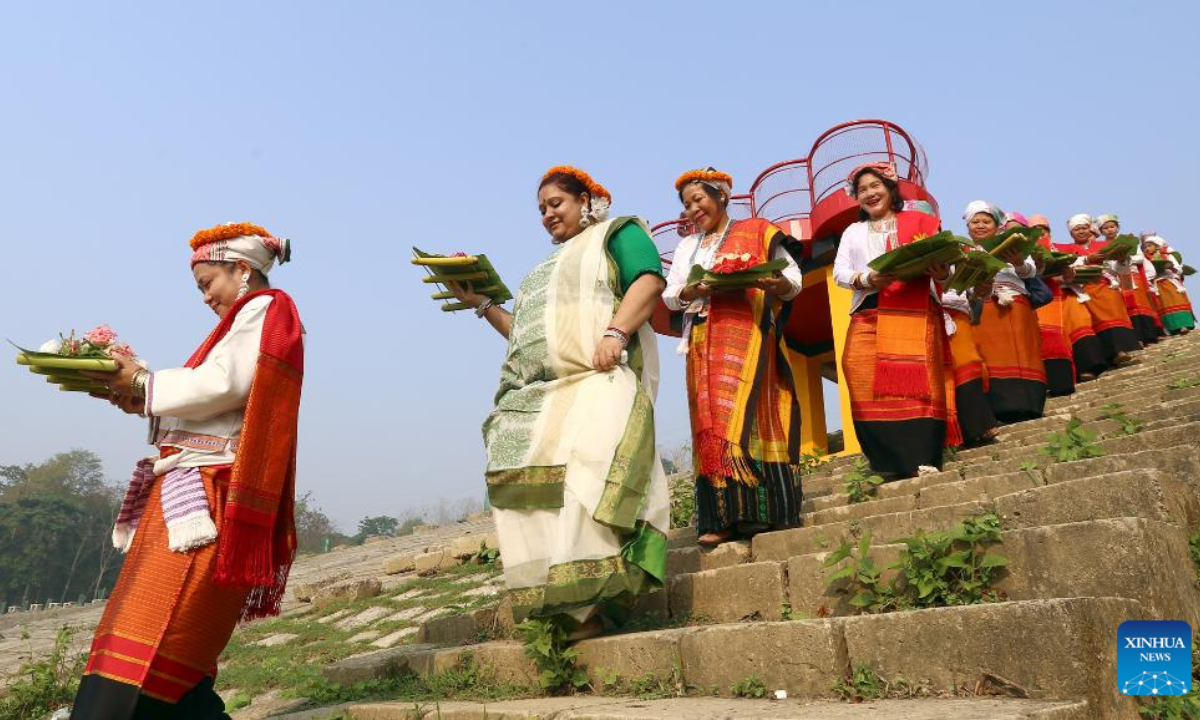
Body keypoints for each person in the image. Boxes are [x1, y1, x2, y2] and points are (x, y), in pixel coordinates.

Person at [72, 223, 303, 720]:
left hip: (209, 498)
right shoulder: (243, 321)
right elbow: (208, 399)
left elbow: (224, 385)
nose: (205, 298)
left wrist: (141, 380)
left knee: (157, 629)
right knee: (165, 643)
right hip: (187, 495)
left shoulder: (268, 309)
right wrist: (137, 393)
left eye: (207, 283)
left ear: (242, 269)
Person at [449, 166, 669, 639]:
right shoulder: (539, 274)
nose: (548, 214)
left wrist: (616, 331)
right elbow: (528, 339)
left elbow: (649, 281)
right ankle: (570, 611)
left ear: (586, 201)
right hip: (541, 394)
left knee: (588, 481)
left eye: (557, 203)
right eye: (542, 209)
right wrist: (482, 303)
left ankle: (596, 602)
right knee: (523, 484)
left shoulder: (618, 231)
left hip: (601, 376)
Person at [662, 167, 806, 547]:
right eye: (687, 205)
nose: (694, 209)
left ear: (721, 196)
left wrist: (777, 284)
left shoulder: (757, 230)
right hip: (704, 339)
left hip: (751, 334)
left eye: (699, 199)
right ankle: (722, 517)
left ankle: (767, 512)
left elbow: (792, 278)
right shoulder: (686, 248)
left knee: (757, 417)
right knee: (712, 423)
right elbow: (670, 294)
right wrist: (692, 288)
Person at [832, 162, 959, 478]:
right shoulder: (853, 231)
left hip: (913, 309)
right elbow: (840, 272)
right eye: (862, 189)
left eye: (875, 186)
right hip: (868, 310)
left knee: (917, 383)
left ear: (890, 189)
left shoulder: (920, 222)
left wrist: (940, 270)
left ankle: (922, 458)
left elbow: (947, 269)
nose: (869, 193)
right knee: (858, 371)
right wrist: (867, 277)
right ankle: (885, 461)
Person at [963, 201, 1046, 422]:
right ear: (968, 226)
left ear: (996, 225)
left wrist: (1019, 263)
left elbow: (1030, 272)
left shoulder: (1012, 243)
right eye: (975, 221)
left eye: (986, 221)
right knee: (992, 356)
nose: (980, 225)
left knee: (1024, 350)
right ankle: (1001, 407)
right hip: (986, 307)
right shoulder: (964, 253)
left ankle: (1031, 404)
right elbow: (961, 284)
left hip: (1017, 304)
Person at [1056, 214, 1140, 366]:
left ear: (1090, 229)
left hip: (1104, 285)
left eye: (1084, 228)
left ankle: (1119, 351)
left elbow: (1115, 269)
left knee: (1112, 305)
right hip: (1082, 289)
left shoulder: (1103, 246)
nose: (1081, 231)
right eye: (1077, 229)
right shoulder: (1065, 249)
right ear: (1071, 233)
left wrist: (1122, 260)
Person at [1027, 214, 1078, 395]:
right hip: (1032, 294)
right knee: (1038, 337)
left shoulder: (1057, 249)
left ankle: (1062, 382)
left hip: (1053, 294)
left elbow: (1066, 279)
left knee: (1055, 337)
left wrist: (1066, 274)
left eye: (1044, 230)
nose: (1041, 233)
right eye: (1035, 231)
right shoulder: (1025, 249)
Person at [1097, 214, 1162, 344]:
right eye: (1105, 228)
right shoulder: (1101, 247)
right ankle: (1137, 338)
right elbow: (1105, 265)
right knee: (1127, 307)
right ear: (1101, 231)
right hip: (1118, 278)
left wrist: (1126, 259)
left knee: (1141, 304)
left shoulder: (1129, 240)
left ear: (1117, 227)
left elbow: (1140, 257)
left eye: (1112, 226)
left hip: (1134, 276)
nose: (1109, 230)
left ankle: (1150, 334)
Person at [1143, 235, 1195, 335]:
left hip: (1171, 282)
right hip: (1158, 284)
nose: (1147, 248)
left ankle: (1184, 325)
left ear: (1157, 246)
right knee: (1163, 304)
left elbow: (1178, 269)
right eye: (1145, 247)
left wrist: (1170, 267)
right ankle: (1170, 328)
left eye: (1149, 246)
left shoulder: (1167, 255)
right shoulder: (1146, 259)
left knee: (1177, 300)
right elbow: (1146, 272)